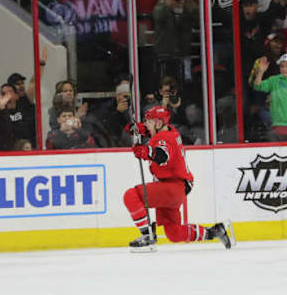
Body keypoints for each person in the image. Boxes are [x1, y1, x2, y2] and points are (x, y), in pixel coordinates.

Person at [123, 106, 234, 251]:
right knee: (174, 233)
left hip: (172, 187)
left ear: (158, 123)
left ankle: (147, 235)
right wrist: (136, 128)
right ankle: (215, 231)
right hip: (176, 188)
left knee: (131, 196)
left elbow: (163, 156)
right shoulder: (168, 131)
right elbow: (148, 133)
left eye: (149, 121)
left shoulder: (164, 138)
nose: (146, 124)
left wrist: (146, 151)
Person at [253, 54, 287, 141]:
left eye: (286, 66)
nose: (284, 69)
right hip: (278, 125)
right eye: (282, 66)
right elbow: (258, 86)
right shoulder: (274, 80)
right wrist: (260, 72)